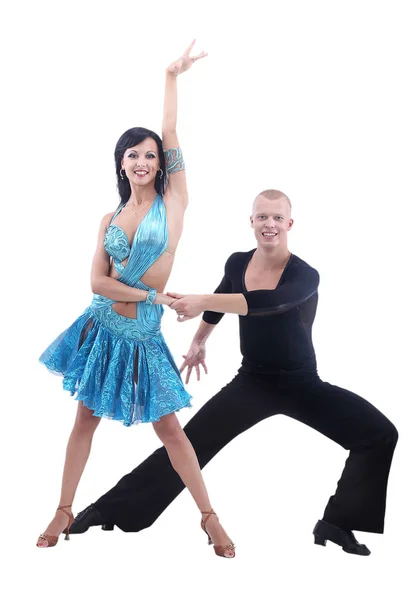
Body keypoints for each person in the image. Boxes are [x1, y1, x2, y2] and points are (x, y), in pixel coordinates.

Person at [70, 189, 398, 556]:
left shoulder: (305, 275)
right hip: (253, 382)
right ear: (252, 222)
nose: (269, 224)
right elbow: (222, 296)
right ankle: (112, 509)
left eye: (277, 218)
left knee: (379, 434)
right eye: (262, 217)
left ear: (289, 224)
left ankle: (337, 523)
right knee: (188, 445)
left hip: (302, 384)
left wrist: (201, 302)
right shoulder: (237, 262)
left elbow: (267, 303)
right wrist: (199, 340)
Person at [36, 41, 235, 559]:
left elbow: (171, 134)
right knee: (84, 420)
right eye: (134, 155)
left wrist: (171, 76)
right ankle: (63, 508)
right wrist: (151, 293)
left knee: (170, 430)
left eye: (150, 154)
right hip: (101, 328)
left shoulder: (174, 203)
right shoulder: (108, 219)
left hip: (143, 335)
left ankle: (209, 517)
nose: (144, 160)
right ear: (120, 164)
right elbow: (96, 284)